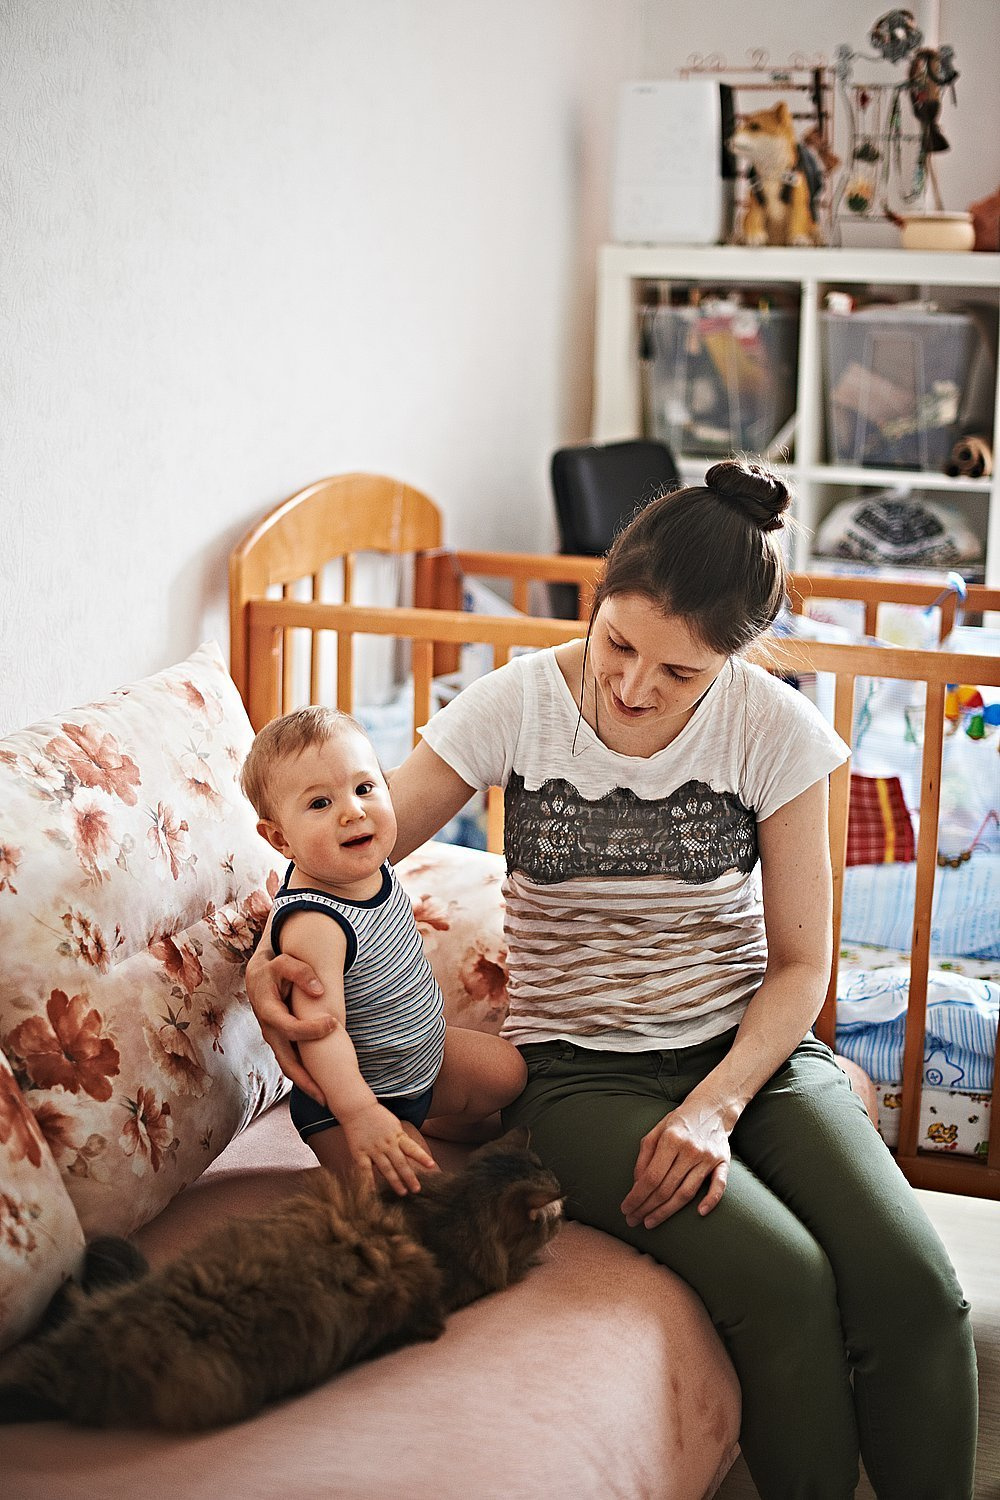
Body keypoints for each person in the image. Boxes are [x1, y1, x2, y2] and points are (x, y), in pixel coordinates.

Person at [246, 461, 977, 1500]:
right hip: (583, 1074)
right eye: (616, 644)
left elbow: (803, 965)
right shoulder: (519, 704)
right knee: (784, 1284)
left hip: (751, 1058)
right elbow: (349, 844)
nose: (632, 688)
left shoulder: (780, 735)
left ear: (733, 660)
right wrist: (270, 954)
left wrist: (715, 1108)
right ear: (596, 604)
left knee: (913, 1287)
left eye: (677, 674)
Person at [240, 707, 526, 1194]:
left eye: (364, 788)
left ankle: (434, 1122)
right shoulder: (315, 924)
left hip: (423, 1064)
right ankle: (358, 1150)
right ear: (280, 839)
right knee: (414, 1190)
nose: (353, 811)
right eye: (320, 804)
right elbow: (319, 1032)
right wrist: (360, 1112)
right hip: (348, 1097)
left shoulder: (369, 864)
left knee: (508, 1073)